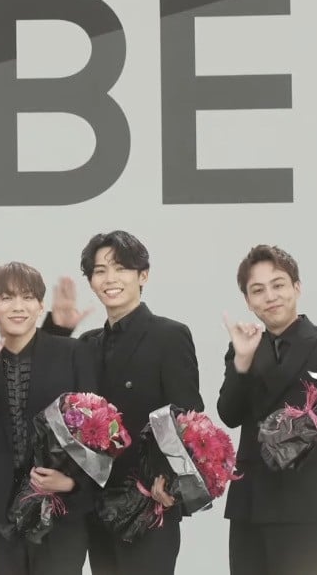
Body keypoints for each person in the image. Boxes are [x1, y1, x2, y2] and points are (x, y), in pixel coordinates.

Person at [42, 230, 203, 574]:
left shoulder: (169, 334)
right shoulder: (87, 343)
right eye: (99, 271)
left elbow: (188, 416)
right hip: (97, 504)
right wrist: (57, 330)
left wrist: (168, 478)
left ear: (143, 275)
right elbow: (49, 393)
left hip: (149, 503)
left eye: (120, 268)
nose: (110, 279)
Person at [218, 244, 317, 575]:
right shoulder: (243, 346)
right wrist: (242, 361)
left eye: (278, 285)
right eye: (258, 290)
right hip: (250, 504)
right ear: (248, 300)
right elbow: (229, 414)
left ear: (297, 287)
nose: (270, 296)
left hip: (306, 504)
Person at [0, 261, 99, 575]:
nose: (18, 306)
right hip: (1, 510)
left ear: (40, 306)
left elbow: (98, 432)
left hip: (61, 506)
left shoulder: (73, 353)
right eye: (6, 298)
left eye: (27, 297)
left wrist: (73, 482)